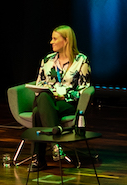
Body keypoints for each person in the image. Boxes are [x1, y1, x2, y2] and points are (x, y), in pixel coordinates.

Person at [28, 25, 91, 169]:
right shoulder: (47, 60)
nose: (51, 42)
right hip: (47, 99)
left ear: (66, 40)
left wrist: (63, 95)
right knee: (44, 97)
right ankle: (56, 145)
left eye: (55, 39)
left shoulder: (81, 60)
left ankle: (39, 159)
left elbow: (84, 89)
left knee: (38, 112)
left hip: (67, 102)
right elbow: (39, 83)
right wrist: (51, 93)